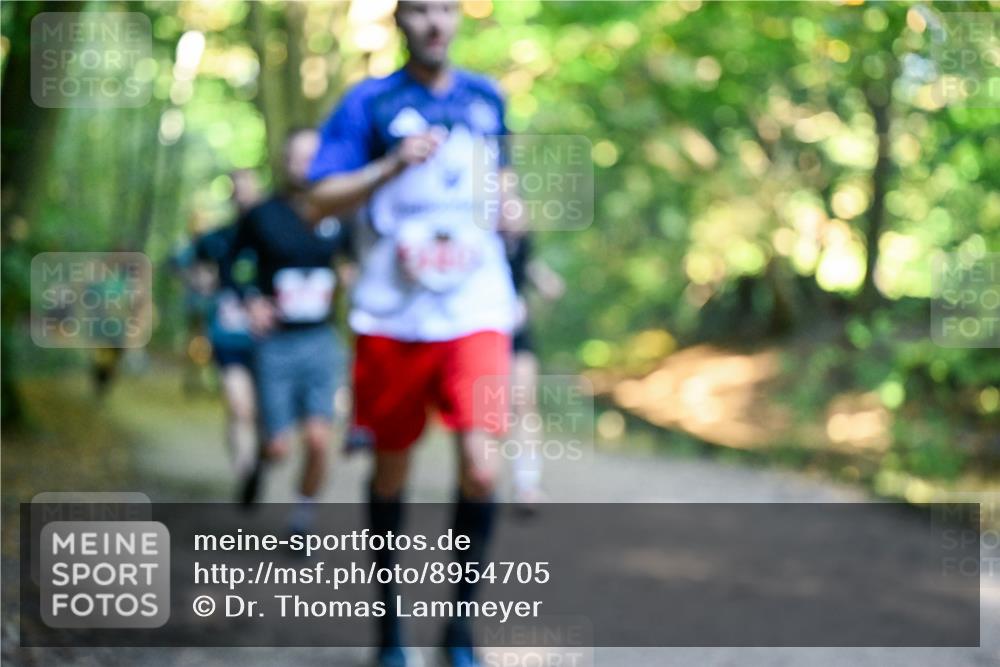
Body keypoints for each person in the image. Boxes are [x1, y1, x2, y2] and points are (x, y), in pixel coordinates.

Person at [307, 2, 521, 665]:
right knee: (391, 467)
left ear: (460, 19)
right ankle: (390, 628)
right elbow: (319, 198)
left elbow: (504, 184)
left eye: (447, 9)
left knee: (483, 468)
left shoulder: (487, 98)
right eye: (422, 9)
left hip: (477, 310)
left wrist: (513, 208)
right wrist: (391, 166)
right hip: (392, 318)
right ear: (400, 19)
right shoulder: (367, 103)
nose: (435, 23)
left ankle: (458, 628)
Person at [230, 128, 349, 536]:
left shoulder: (339, 213)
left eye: (314, 156)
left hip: (321, 339)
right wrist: (250, 300)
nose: (306, 164)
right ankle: (262, 462)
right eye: (298, 156)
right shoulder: (262, 214)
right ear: (284, 162)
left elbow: (355, 261)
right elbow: (230, 265)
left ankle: (303, 517)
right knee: (279, 446)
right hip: (276, 343)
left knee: (319, 440)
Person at [193, 169, 263, 503]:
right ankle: (246, 469)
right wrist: (202, 282)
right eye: (238, 189)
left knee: (264, 413)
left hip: (270, 340)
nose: (244, 194)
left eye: (249, 188)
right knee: (240, 407)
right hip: (229, 336)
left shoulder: (277, 234)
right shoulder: (218, 238)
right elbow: (189, 262)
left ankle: (256, 463)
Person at [503, 232, 565, 512]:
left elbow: (534, 271)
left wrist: (545, 284)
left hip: (516, 334)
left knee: (524, 402)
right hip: (475, 330)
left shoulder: (522, 244)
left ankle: (526, 484)